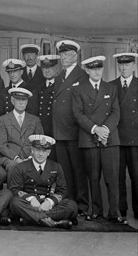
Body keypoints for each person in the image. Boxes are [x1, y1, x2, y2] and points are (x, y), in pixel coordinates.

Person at [72, 55, 125, 224]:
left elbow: (116, 112)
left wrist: (105, 131)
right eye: (93, 69)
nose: (97, 71)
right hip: (89, 139)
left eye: (99, 68)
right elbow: (78, 114)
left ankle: (114, 212)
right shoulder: (78, 89)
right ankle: (96, 211)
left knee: (112, 178)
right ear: (87, 70)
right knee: (93, 178)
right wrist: (96, 130)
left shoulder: (111, 88)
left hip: (109, 139)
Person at [52, 39, 89, 216]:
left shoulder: (82, 76)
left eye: (66, 55)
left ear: (75, 56)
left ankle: (82, 205)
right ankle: (69, 202)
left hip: (75, 131)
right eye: (62, 55)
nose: (63, 58)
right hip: (60, 131)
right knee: (65, 171)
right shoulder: (59, 77)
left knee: (78, 170)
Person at [9, 135, 78, 229]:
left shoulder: (56, 167)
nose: (40, 154)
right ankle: (52, 222)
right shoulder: (21, 167)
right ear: (32, 150)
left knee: (72, 206)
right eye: (37, 150)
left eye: (44, 151)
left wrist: (50, 202)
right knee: (15, 203)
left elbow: (62, 191)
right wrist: (31, 199)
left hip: (47, 204)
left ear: (49, 152)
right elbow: (15, 189)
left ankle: (31, 219)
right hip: (30, 204)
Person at [112, 52, 138, 219]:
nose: (123, 67)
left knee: (137, 177)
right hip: (117, 139)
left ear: (134, 66)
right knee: (118, 178)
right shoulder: (111, 86)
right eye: (121, 65)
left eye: (127, 64)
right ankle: (121, 210)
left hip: (136, 139)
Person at [0, 87, 44, 172]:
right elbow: (2, 145)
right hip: (10, 157)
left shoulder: (35, 120)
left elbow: (39, 142)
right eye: (18, 100)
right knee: (13, 166)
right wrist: (16, 158)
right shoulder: (3, 120)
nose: (21, 103)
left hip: (30, 157)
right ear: (12, 101)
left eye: (24, 100)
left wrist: (30, 158)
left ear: (27, 102)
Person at [36, 55, 61, 158]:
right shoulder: (39, 87)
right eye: (44, 68)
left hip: (56, 132)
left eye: (50, 67)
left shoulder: (61, 86)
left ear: (56, 68)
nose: (47, 70)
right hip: (42, 131)